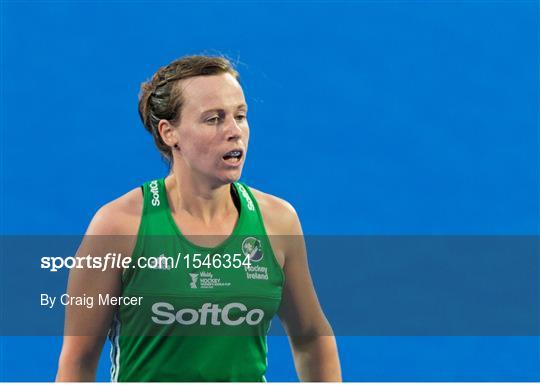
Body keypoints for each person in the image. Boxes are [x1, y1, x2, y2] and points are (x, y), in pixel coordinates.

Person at [56, 55, 341, 382]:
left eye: (240, 115)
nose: (235, 132)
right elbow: (77, 363)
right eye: (214, 119)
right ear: (169, 133)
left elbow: (311, 336)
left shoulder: (278, 221)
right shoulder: (118, 226)